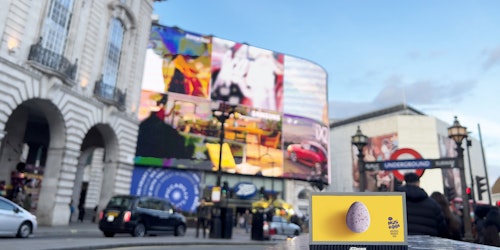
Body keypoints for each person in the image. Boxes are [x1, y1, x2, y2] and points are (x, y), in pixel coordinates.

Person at [396, 173, 448, 237]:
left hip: (401, 243)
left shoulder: (394, 203)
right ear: (418, 183)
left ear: (405, 182)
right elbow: (442, 229)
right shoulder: (433, 205)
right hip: (427, 244)